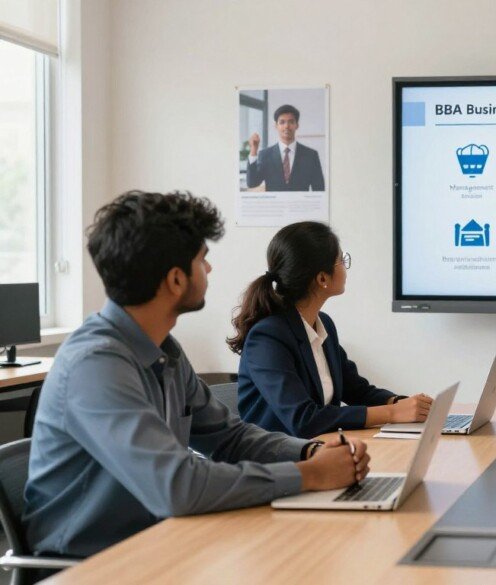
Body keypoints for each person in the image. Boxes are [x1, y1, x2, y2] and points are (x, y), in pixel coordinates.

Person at [23, 191, 367, 559]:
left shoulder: (164, 351)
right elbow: (177, 486)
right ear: (175, 280)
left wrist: (310, 450)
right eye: (203, 260)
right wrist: (310, 475)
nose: (210, 269)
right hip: (91, 566)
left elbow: (231, 439)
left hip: (160, 544)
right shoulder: (95, 367)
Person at [229, 221, 432, 439]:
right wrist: (391, 413)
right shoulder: (268, 337)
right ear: (322, 278)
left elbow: (356, 390)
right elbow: (303, 419)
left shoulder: (323, 324)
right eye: (341, 260)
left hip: (319, 449)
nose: (345, 267)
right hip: (275, 463)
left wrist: (403, 404)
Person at [246, 104, 326, 191]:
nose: (286, 126)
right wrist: (253, 150)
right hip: (274, 204)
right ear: (276, 126)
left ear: (297, 125)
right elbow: (252, 183)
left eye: (291, 122)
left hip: (301, 204)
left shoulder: (311, 155)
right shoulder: (265, 155)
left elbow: (319, 188)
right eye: (282, 122)